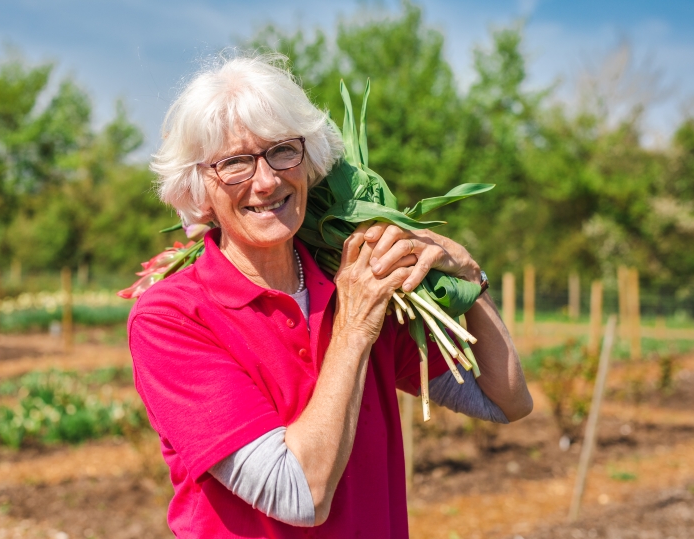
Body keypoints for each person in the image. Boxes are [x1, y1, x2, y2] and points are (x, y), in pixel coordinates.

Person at [128, 53, 533, 538]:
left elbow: (505, 400)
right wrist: (356, 326)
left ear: (309, 157)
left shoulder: (352, 277)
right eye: (234, 163)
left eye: (282, 151)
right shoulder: (172, 318)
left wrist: (470, 278)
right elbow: (300, 494)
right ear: (198, 188)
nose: (266, 180)